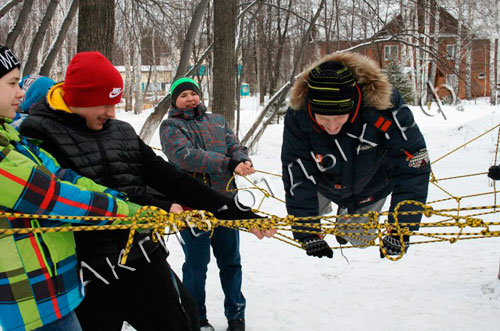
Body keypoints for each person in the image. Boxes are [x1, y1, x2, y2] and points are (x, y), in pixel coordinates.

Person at [20, 52, 275, 331]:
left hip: (141, 256)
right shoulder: (39, 134)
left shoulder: (120, 131)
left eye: (115, 104)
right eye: (103, 104)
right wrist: (159, 206)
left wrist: (237, 212)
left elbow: (169, 178)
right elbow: (76, 194)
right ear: (78, 98)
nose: (111, 113)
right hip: (87, 272)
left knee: (183, 320)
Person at [0, 45, 142, 331]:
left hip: (54, 289)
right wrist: (129, 212)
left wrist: (118, 198)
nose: (20, 93)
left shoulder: (10, 137)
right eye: (12, 83)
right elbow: (53, 197)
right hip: (29, 297)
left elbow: (64, 176)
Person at [281, 52, 431, 259]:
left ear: (353, 104)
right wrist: (307, 232)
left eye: (339, 117)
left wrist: (401, 229)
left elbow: (414, 163)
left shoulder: (385, 107)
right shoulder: (299, 114)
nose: (332, 126)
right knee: (308, 210)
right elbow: (295, 170)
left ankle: (347, 224)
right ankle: (335, 214)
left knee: (359, 240)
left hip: (372, 183)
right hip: (323, 181)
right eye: (324, 119)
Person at [159, 77, 255, 331]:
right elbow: (186, 157)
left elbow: (234, 145)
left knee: (231, 262)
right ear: (174, 100)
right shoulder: (170, 126)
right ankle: (197, 317)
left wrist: (241, 159)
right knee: (196, 265)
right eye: (183, 95)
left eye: (193, 93)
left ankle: (236, 316)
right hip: (192, 209)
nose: (190, 98)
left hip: (225, 203)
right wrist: (227, 163)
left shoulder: (218, 120)